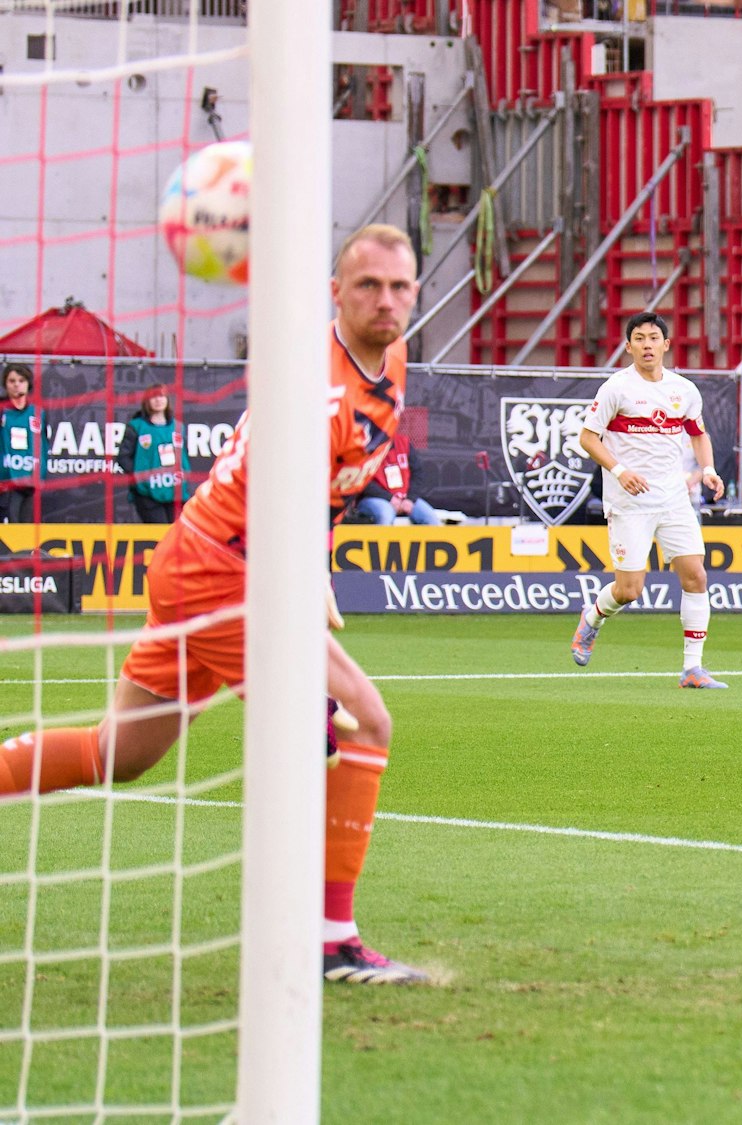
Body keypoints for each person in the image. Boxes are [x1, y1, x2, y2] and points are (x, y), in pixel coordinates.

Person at [0, 223, 428, 984]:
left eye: (399, 286)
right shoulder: (318, 394)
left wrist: (315, 568)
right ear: (336, 294)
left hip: (203, 558)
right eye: (367, 286)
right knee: (359, 720)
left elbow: (320, 496)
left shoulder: (389, 357)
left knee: (118, 754)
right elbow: (274, 506)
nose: (386, 300)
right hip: (227, 569)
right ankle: (330, 938)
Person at [568, 311, 729, 689]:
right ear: (628, 346)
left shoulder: (684, 390)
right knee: (629, 591)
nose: (646, 345)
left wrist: (707, 470)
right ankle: (591, 619)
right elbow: (588, 438)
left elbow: (698, 434)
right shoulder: (616, 388)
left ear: (666, 344)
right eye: (639, 338)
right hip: (629, 501)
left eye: (653, 338)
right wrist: (621, 471)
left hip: (674, 498)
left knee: (696, 576)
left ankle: (692, 669)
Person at [115, 383, 185, 524]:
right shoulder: (136, 426)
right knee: (158, 535)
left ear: (167, 400)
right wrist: (139, 476)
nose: (158, 400)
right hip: (148, 494)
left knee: (174, 534)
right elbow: (123, 457)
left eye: (161, 396)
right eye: (154, 397)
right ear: (147, 401)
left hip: (174, 491)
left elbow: (184, 459)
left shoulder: (178, 427)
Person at [353, 430, 440, 526]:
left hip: (405, 498)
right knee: (385, 515)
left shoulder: (403, 442)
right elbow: (361, 480)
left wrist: (410, 499)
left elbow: (417, 474)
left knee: (432, 519)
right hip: (375, 498)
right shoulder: (365, 446)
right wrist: (390, 498)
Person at [0, 362, 42, 523]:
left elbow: (43, 446)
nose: (17, 385)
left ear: (28, 383)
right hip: (6, 483)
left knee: (28, 530)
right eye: (12, 381)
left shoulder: (38, 413)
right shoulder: (2, 410)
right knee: (10, 528)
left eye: (21, 380)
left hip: (30, 482)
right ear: (5, 384)